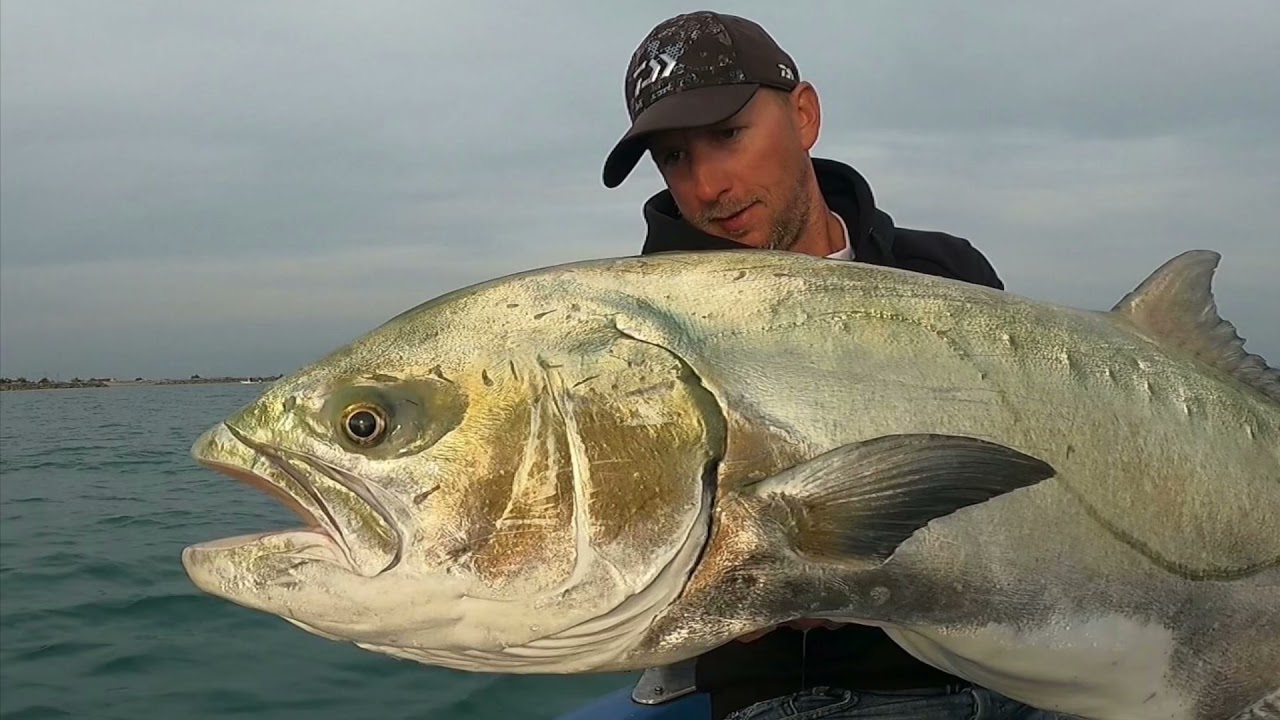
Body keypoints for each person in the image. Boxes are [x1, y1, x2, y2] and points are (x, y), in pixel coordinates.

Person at [601, 10, 1064, 720]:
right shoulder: (653, 343)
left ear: (804, 115)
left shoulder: (945, 272)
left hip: (1024, 663)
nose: (707, 185)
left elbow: (1033, 473)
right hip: (811, 693)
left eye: (727, 135)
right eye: (673, 157)